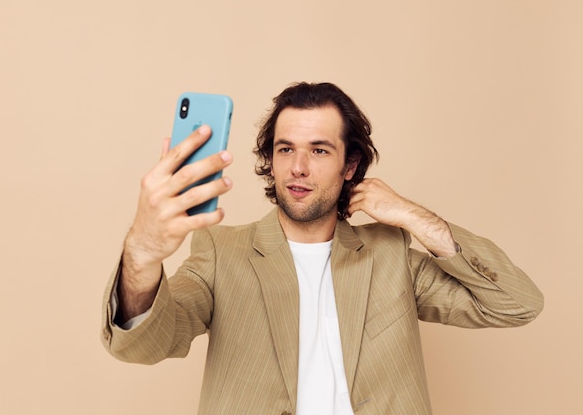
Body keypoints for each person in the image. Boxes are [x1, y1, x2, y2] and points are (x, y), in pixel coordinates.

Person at [101, 82, 543, 415]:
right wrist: (142, 252)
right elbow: (142, 345)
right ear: (270, 161)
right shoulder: (222, 251)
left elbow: (517, 304)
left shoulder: (389, 256)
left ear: (350, 165)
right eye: (285, 148)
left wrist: (412, 215)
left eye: (319, 150)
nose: (297, 167)